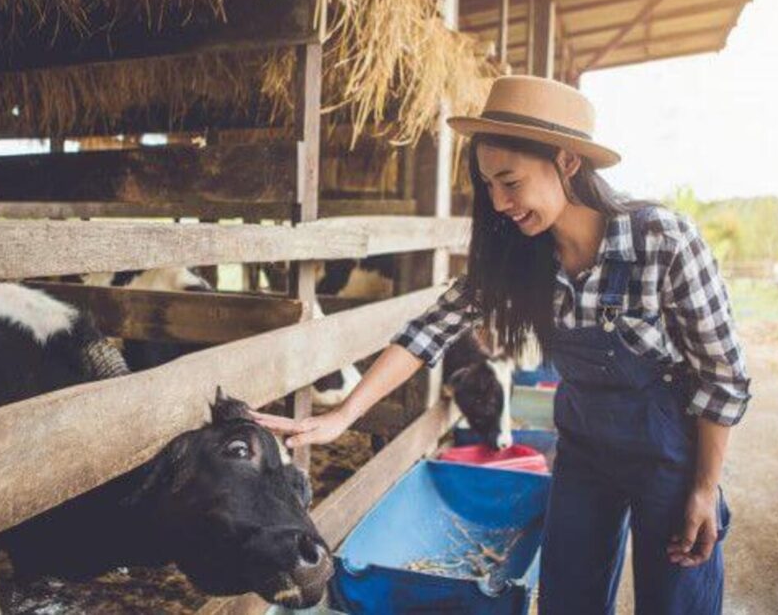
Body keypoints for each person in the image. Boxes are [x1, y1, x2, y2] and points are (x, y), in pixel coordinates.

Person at [252, 75, 750, 614]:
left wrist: (704, 487)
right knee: (567, 603)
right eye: (488, 185)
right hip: (584, 452)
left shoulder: (663, 240)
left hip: (670, 455)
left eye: (509, 182)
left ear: (567, 162)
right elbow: (428, 332)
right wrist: (343, 415)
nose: (499, 202)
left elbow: (722, 375)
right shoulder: (519, 255)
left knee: (677, 603)